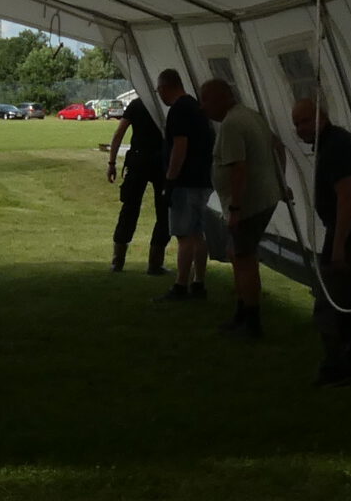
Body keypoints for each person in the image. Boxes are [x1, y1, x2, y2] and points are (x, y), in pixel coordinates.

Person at [289, 96, 351, 387]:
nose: (300, 129)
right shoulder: (340, 142)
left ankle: (340, 365)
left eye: (306, 121)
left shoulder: (336, 148)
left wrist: (339, 245)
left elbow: (347, 198)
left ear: (322, 117)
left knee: (332, 302)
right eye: (296, 124)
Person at [202, 77, 283, 338]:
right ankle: (241, 313)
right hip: (261, 198)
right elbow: (278, 145)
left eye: (207, 100)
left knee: (245, 259)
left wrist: (236, 208)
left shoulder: (232, 124)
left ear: (222, 98)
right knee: (236, 254)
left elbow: (239, 168)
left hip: (248, 204)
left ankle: (251, 322)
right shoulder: (251, 116)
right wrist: (280, 181)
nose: (204, 107)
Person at [156, 70, 215, 301]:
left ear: (164, 88)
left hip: (185, 182)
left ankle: (181, 284)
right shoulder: (196, 107)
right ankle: (199, 282)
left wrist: (170, 181)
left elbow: (180, 147)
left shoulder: (178, 110)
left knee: (184, 235)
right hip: (203, 179)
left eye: (159, 91)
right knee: (198, 234)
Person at [104, 90, 168, 274]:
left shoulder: (137, 104)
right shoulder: (165, 106)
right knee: (164, 212)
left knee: (129, 209)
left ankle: (118, 260)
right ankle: (155, 263)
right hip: (161, 162)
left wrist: (112, 163)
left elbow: (119, 133)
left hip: (138, 159)